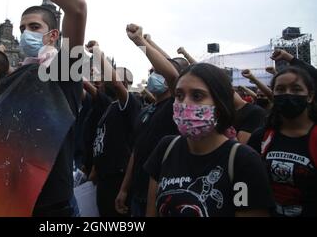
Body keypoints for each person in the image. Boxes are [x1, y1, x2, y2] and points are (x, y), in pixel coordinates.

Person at [0, 0, 87, 217]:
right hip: (12, 202)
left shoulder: (64, 71)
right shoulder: (19, 77)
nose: (26, 32)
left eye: (35, 27)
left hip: (53, 208)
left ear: (53, 36)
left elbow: (76, 6)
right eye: (22, 28)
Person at [144, 63, 275, 217]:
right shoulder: (166, 148)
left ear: (220, 104)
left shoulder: (243, 161)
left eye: (197, 96)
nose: (185, 103)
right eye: (179, 95)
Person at [116, 24, 179, 217]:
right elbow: (137, 150)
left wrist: (140, 42)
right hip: (137, 193)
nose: (153, 76)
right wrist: (124, 188)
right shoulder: (147, 111)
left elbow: (173, 73)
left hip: (161, 195)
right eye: (151, 71)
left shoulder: (175, 106)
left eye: (157, 71)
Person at [248, 66, 317, 217]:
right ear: (273, 94)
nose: (287, 94)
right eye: (280, 89)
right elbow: (244, 183)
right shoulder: (260, 137)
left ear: (310, 96)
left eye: (296, 89)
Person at [86, 40, 141, 217]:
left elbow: (115, 84)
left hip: (118, 177)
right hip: (103, 176)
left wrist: (97, 53)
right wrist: (96, 167)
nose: (102, 80)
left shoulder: (130, 104)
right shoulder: (110, 106)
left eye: (112, 76)